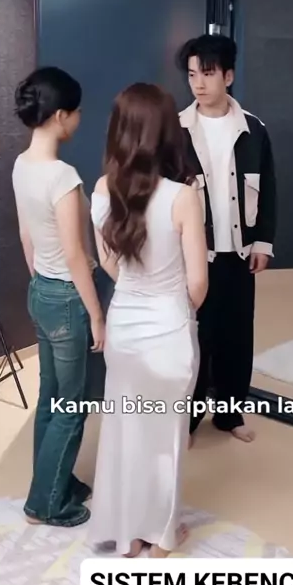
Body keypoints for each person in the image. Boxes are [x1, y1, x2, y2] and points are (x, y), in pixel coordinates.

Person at [88, 83, 208, 558]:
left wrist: (138, 293)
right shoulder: (183, 196)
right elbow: (198, 283)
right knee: (166, 438)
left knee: (127, 431)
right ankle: (160, 536)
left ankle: (128, 533)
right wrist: (175, 310)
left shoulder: (102, 189)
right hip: (169, 329)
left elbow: (108, 264)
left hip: (125, 327)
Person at [12, 66, 105, 527]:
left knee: (51, 398)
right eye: (77, 111)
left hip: (42, 293)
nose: (80, 118)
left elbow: (26, 236)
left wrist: (40, 281)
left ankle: (53, 482)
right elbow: (74, 254)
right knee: (71, 406)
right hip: (68, 297)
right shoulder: (63, 177)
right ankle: (47, 503)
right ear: (61, 115)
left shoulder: (21, 165)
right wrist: (96, 315)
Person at [176, 33, 277, 445]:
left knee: (236, 337)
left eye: (208, 73)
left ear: (228, 76)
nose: (198, 83)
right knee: (196, 339)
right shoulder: (177, 129)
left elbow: (268, 190)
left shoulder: (253, 129)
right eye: (192, 74)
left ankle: (230, 414)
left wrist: (263, 243)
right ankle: (187, 420)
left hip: (238, 254)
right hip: (195, 256)